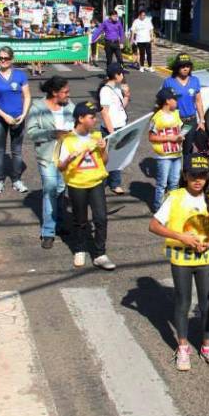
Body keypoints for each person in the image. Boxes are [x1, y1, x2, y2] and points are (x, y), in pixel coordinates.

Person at [148, 153, 209, 371]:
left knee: (207, 304)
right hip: (181, 260)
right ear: (185, 175)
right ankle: (183, 346)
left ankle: (207, 346)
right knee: (183, 302)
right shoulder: (174, 197)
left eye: (202, 175)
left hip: (206, 259)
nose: (198, 180)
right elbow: (154, 225)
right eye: (193, 175)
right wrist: (181, 237)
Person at [57, 101, 115, 270]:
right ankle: (80, 249)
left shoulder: (97, 136)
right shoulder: (66, 139)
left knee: (101, 218)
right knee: (80, 220)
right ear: (80, 118)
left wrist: (104, 150)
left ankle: (100, 254)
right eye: (91, 117)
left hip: (96, 182)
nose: (95, 120)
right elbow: (60, 166)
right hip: (77, 184)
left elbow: (104, 162)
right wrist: (69, 159)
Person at [26, 76, 74, 249]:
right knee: (50, 191)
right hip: (47, 157)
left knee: (61, 190)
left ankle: (59, 224)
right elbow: (31, 133)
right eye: (65, 92)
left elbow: (78, 125)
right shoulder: (38, 108)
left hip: (66, 157)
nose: (68, 95)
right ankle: (48, 232)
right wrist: (53, 133)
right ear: (54, 92)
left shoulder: (69, 106)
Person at [0, 46, 31, 195]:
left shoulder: (20, 76)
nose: (3, 61)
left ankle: (17, 180)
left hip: (18, 118)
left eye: (5, 58)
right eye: (0, 58)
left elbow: (27, 96)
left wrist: (24, 114)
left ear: (11, 59)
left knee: (16, 151)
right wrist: (4, 115)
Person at [149, 87, 184, 211]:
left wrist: (181, 135)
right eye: (175, 99)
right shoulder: (157, 117)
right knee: (162, 184)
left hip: (177, 154)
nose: (177, 101)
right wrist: (171, 138)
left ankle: (171, 207)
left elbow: (179, 130)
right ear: (167, 101)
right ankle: (158, 208)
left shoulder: (176, 113)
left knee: (174, 183)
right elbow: (151, 137)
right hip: (164, 156)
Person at [97, 64, 131, 195]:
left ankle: (115, 183)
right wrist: (112, 132)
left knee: (117, 156)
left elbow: (121, 106)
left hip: (120, 125)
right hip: (111, 129)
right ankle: (101, 183)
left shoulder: (117, 88)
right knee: (106, 157)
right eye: (121, 74)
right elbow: (104, 113)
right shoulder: (105, 91)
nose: (123, 76)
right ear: (116, 75)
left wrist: (127, 95)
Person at [161, 53, 206, 146]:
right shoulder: (169, 82)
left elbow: (198, 101)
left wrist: (202, 121)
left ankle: (186, 160)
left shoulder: (195, 80)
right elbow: (164, 103)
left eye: (188, 66)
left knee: (188, 148)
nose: (185, 69)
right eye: (182, 66)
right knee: (174, 147)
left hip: (190, 122)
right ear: (177, 67)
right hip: (175, 121)